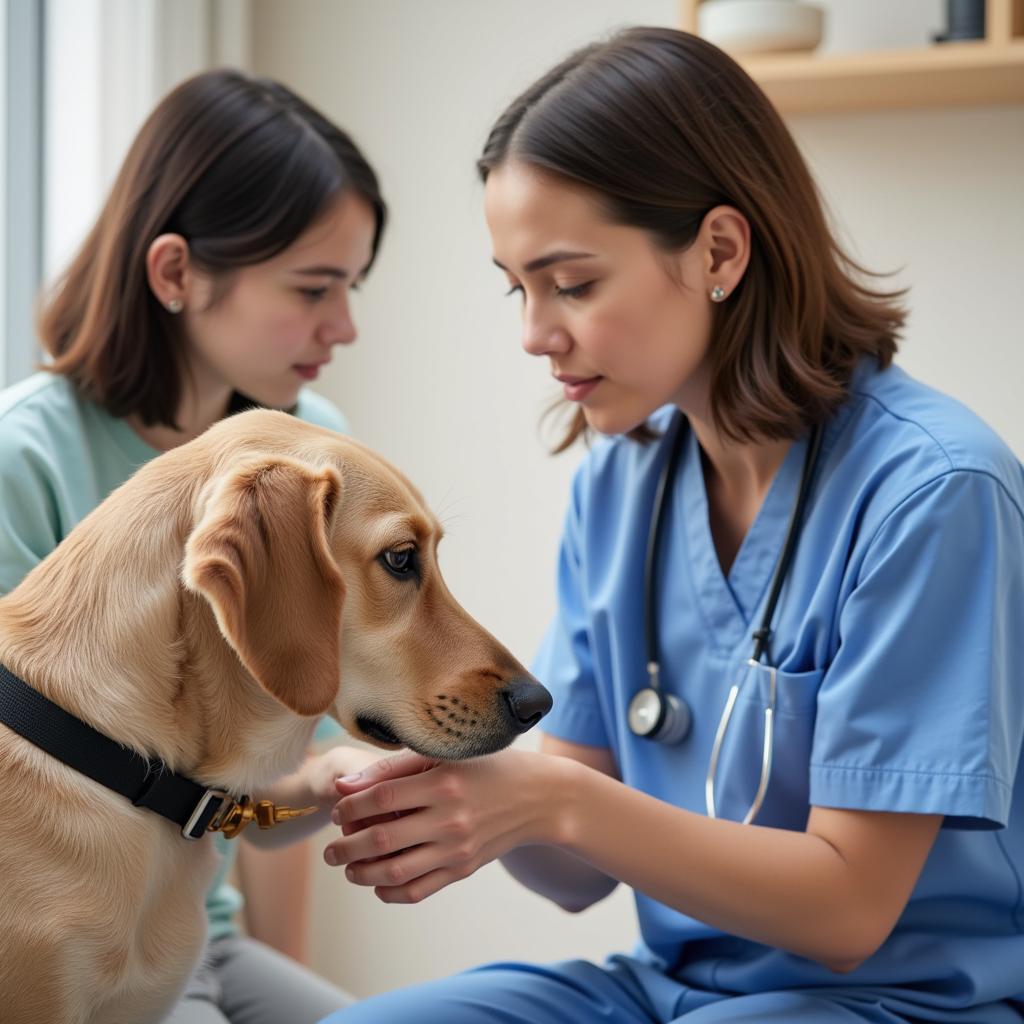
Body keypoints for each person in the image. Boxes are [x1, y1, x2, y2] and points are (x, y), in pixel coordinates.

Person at [318, 26, 1024, 1024]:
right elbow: (574, 875)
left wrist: (545, 798)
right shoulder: (622, 483)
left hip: (897, 1001)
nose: (532, 333)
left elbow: (850, 905)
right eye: (516, 287)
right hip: (673, 992)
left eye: (571, 282)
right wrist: (455, 786)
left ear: (718, 251)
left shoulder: (935, 492)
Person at [0, 68, 389, 1023]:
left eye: (351, 286)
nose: (342, 326)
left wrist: (331, 779)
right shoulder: (26, 458)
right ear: (176, 273)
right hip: (87, 947)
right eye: (313, 287)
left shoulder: (309, 448)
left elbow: (272, 781)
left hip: (200, 938)